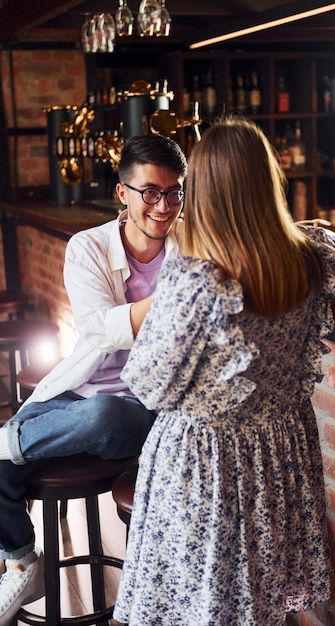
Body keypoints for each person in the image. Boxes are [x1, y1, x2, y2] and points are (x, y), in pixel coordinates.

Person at [113, 117, 335, 626]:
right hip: (280, 454)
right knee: (258, 604)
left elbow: (147, 381)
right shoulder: (308, 259)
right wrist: (300, 230)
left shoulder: (198, 275)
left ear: (204, 190)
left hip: (208, 464)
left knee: (204, 607)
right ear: (268, 183)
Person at [0, 133, 188, 625]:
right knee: (0, 466)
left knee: (100, 415)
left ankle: (9, 440)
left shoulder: (194, 246)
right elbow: (99, 329)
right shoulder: (88, 246)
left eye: (174, 192)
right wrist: (181, 297)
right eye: (150, 192)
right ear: (122, 193)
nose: (163, 206)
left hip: (144, 405)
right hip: (75, 393)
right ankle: (21, 560)